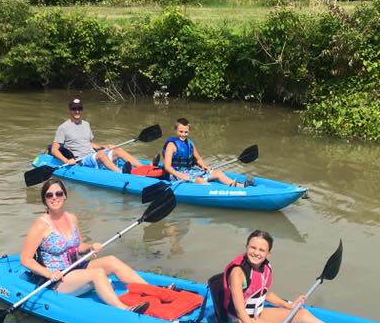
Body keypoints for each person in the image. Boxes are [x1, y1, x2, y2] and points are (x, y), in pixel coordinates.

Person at [223, 230, 374, 323]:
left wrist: (289, 306)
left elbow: (265, 293)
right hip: (238, 321)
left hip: (258, 313)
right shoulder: (238, 273)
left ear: (269, 253)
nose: (256, 253)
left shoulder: (265, 267)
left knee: (302, 314)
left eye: (262, 250)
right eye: (252, 248)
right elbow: (240, 310)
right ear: (246, 247)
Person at [19, 178, 147, 309]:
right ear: (44, 199)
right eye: (49, 195)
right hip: (58, 278)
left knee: (111, 261)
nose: (54, 197)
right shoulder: (40, 225)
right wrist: (49, 274)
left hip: (77, 266)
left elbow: (78, 246)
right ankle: (125, 309)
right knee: (97, 273)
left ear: (64, 196)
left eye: (58, 193)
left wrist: (90, 247)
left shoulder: (71, 218)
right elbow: (25, 259)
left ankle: (153, 291)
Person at [50, 98, 140, 173]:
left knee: (117, 150)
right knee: (101, 155)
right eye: (74, 109)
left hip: (93, 155)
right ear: (70, 110)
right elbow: (54, 150)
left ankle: (143, 169)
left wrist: (106, 146)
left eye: (79, 109)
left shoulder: (86, 124)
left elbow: (91, 144)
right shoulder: (63, 128)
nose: (77, 111)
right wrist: (66, 161)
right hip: (81, 160)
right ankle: (122, 175)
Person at [161, 118, 247, 187]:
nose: (183, 134)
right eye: (181, 131)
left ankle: (237, 186)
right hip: (176, 174)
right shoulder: (171, 145)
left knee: (218, 172)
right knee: (199, 180)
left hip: (189, 170)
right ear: (175, 131)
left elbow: (198, 159)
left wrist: (204, 166)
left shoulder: (190, 143)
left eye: (186, 132)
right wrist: (181, 176)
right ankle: (211, 190)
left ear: (189, 131)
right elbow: (167, 167)